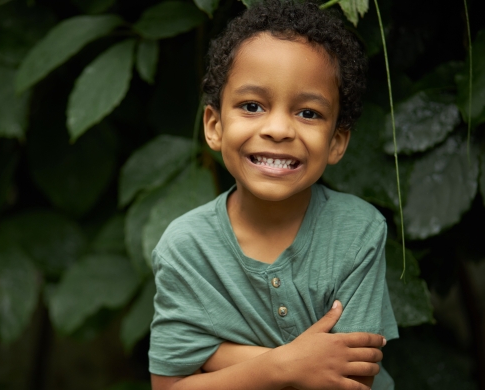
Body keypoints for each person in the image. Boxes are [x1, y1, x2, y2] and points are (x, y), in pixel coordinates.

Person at [147, 1, 399, 389]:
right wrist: (283, 366)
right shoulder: (186, 248)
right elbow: (168, 385)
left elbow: (352, 377)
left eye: (308, 113)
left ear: (337, 142)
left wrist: (216, 357)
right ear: (214, 126)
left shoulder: (358, 231)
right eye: (252, 106)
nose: (278, 129)